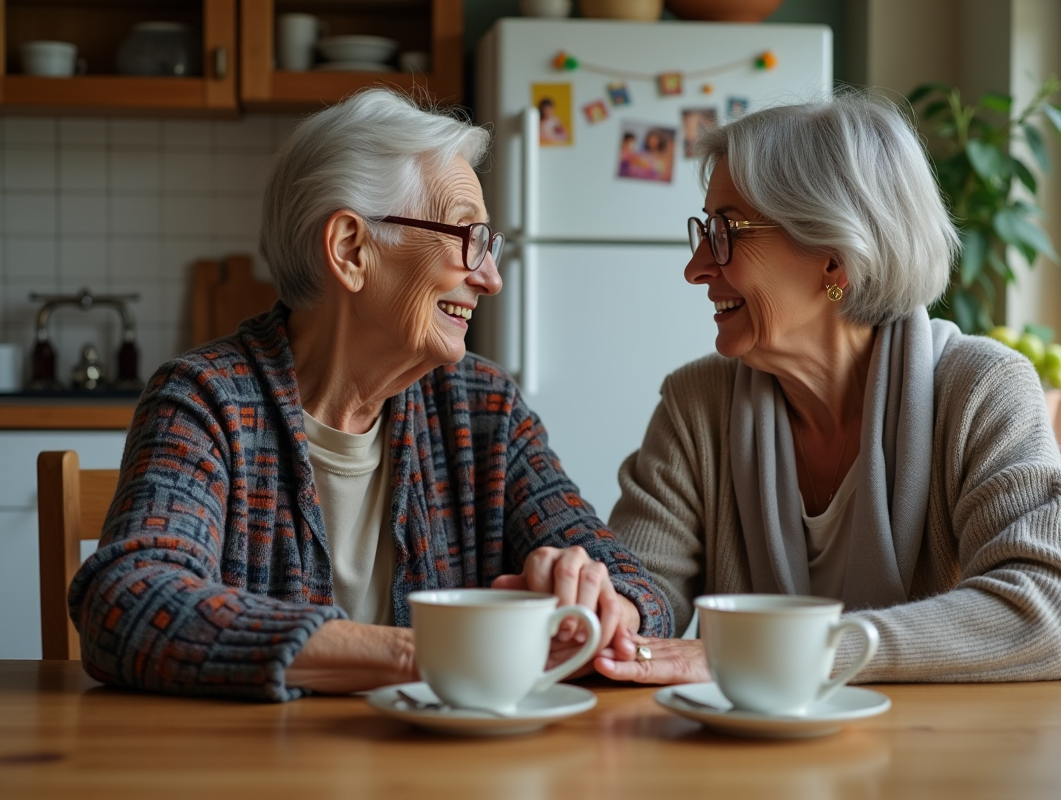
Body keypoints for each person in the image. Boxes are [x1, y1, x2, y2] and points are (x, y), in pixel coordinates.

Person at [67, 89, 671, 702]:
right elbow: (128, 602)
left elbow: (630, 583)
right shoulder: (205, 401)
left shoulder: (484, 408)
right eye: (469, 238)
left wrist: (605, 604)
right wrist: (433, 653)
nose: (490, 278)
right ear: (352, 249)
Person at [594, 93, 1061, 685]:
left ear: (834, 261)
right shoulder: (697, 406)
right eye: (704, 231)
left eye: (727, 232)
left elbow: (1058, 612)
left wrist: (787, 657)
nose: (697, 267)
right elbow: (641, 585)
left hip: (933, 760)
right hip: (744, 763)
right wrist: (607, 609)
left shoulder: (981, 390)